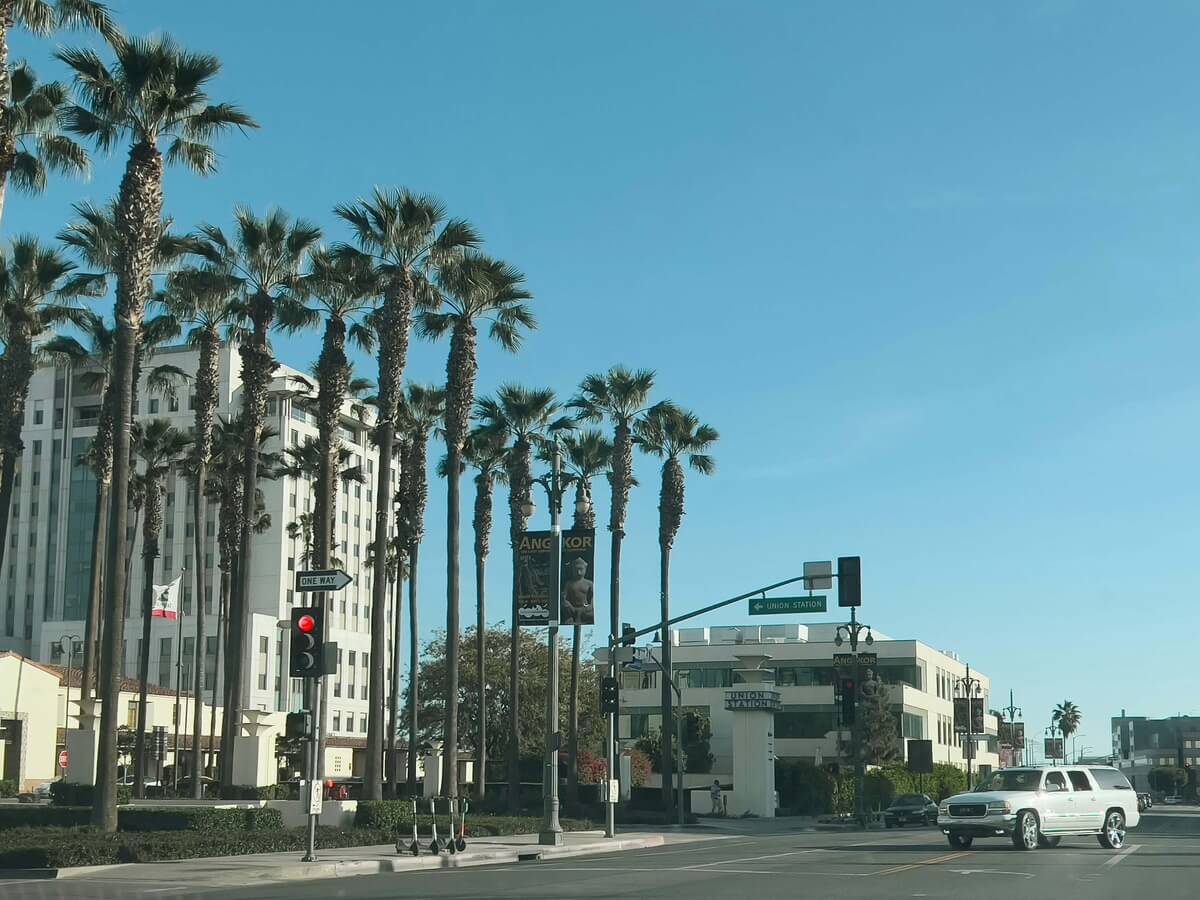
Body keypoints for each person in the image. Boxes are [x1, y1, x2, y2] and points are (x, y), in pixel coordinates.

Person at [560, 556, 595, 624]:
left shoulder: (589, 583)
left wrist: (589, 607)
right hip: (572, 609)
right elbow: (564, 598)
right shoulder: (569, 584)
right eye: (576, 569)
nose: (579, 572)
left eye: (581, 569)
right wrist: (568, 605)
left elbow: (593, 598)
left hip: (585, 610)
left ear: (585, 569)